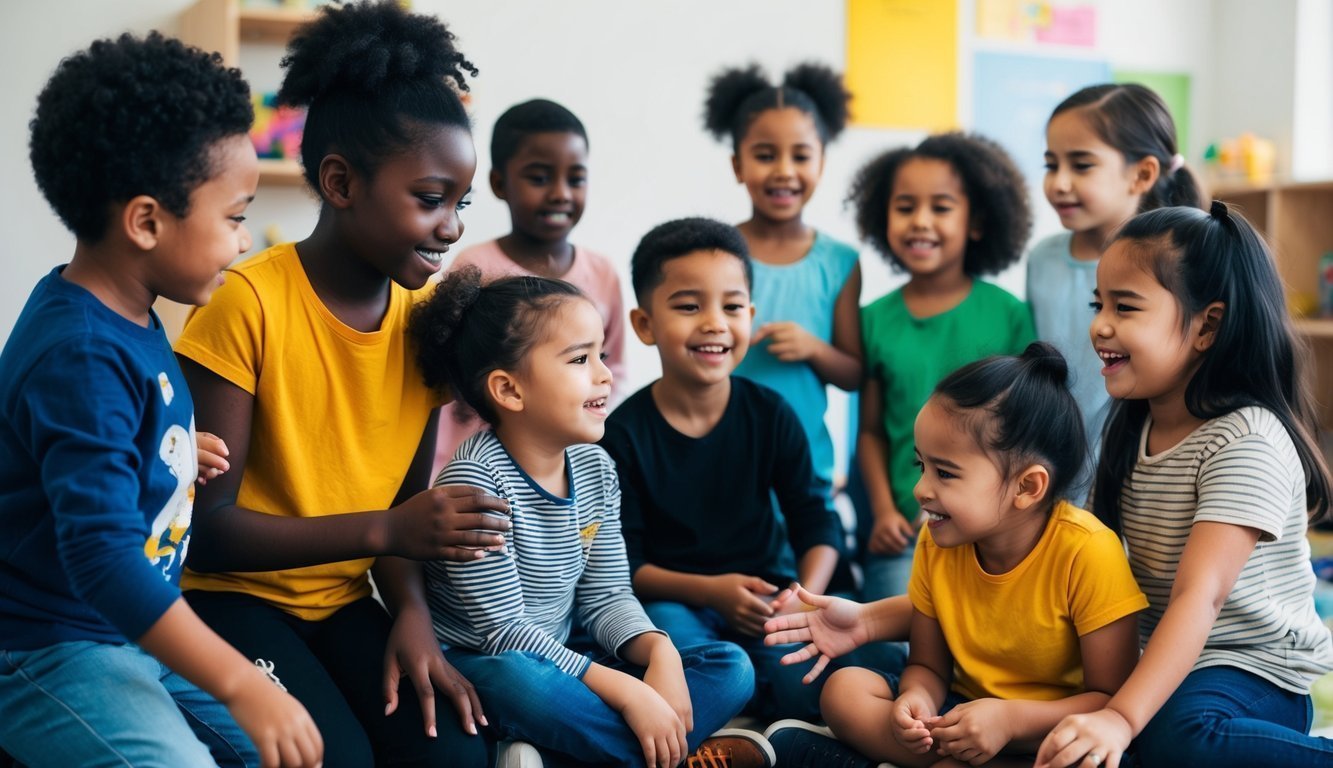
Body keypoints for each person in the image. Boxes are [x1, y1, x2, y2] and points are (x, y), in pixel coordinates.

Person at [173, 3, 508, 766]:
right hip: (224, 602)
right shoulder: (246, 301)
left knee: (454, 753)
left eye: (461, 204)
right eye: (430, 199)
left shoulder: (431, 313)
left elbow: (402, 504)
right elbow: (206, 530)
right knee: (332, 757)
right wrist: (387, 533)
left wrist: (412, 614)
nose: (452, 226)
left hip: (345, 600)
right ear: (340, 182)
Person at [0, 32, 320, 767]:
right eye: (235, 217)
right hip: (51, 645)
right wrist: (240, 681)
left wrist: (168, 461)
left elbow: (104, 447)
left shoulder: (133, 312)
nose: (242, 242)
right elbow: (101, 556)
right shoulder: (78, 350)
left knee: (295, 749)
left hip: (125, 628)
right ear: (146, 222)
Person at [410, 267, 772, 768]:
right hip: (487, 664)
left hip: (566, 658)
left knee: (732, 667)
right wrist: (627, 692)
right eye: (581, 359)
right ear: (509, 391)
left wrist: (659, 653)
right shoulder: (474, 484)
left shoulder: (595, 466)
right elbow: (505, 632)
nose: (605, 374)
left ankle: (566, 756)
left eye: (600, 353)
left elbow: (606, 595)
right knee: (522, 680)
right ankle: (666, 754)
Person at [1035, 203, 1333, 768]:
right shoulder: (1132, 424)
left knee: (1174, 738)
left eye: (1125, 307)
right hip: (1164, 654)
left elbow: (1202, 596)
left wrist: (1121, 716)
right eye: (1099, 304)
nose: (1099, 325)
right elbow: (1086, 558)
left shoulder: (1245, 440)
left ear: (1207, 326)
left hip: (1255, 668)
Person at [764, 343, 1147, 768]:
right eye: (920, 466)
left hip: (1049, 731)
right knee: (844, 690)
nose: (921, 490)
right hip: (959, 713)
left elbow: (1109, 699)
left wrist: (1010, 721)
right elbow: (927, 665)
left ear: (1027, 487)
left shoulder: (1088, 551)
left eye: (944, 473)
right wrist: (916, 701)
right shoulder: (938, 540)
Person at [601, 217, 900, 723]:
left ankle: (754, 722)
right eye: (688, 305)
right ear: (645, 324)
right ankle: (709, 725)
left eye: (732, 306)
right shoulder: (622, 434)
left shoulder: (770, 413)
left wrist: (801, 598)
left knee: (815, 676)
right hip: (680, 601)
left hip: (772, 599)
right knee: (696, 659)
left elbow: (818, 523)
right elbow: (625, 566)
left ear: (751, 315)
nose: (715, 322)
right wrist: (712, 590)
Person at [850, 133, 1036, 602]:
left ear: (975, 221)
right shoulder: (872, 319)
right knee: (891, 648)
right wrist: (882, 513)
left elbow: (1021, 432)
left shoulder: (1009, 314)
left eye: (941, 207)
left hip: (990, 532)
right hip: (902, 534)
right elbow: (869, 431)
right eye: (906, 206)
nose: (921, 221)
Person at [431, 98, 627, 476]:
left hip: (567, 463)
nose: (560, 193)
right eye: (539, 178)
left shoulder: (602, 273)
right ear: (499, 183)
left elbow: (614, 364)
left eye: (576, 178)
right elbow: (450, 377)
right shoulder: (475, 267)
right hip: (483, 465)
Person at [1028, 83, 1203, 504]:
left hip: (1143, 473)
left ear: (1142, 174)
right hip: (1055, 468)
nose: (1059, 183)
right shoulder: (1042, 259)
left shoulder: (1179, 263)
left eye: (1082, 165)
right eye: (1051, 165)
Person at [703, 63, 862, 492]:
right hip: (721, 458)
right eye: (765, 155)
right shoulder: (715, 253)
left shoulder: (840, 261)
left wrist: (813, 348)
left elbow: (854, 373)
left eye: (801, 155)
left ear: (822, 163)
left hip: (806, 464)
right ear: (738, 165)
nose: (784, 171)